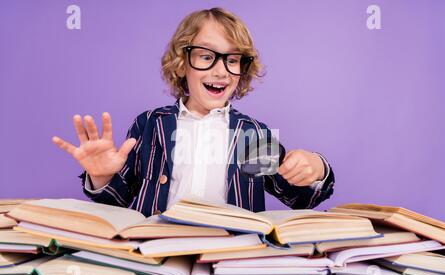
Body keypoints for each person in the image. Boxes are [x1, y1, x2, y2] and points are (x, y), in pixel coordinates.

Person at [52, 7, 335, 217]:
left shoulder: (252, 135)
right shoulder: (150, 124)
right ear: (181, 63)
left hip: (229, 257)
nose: (221, 70)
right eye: (206, 56)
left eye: (233, 60)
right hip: (154, 252)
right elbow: (116, 202)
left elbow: (300, 200)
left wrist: (316, 167)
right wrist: (101, 177)